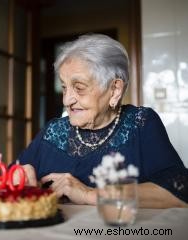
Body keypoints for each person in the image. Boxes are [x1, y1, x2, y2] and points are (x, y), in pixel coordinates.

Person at [17, 34, 188, 208]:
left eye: (79, 88)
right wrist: (19, 174)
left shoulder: (140, 123)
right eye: (64, 87)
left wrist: (90, 194)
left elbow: (181, 192)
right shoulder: (53, 130)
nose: (67, 100)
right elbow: (11, 172)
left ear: (114, 90)